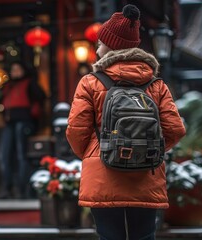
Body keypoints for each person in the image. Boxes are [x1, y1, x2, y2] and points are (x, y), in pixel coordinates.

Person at [66, 4, 186, 240]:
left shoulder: (90, 82)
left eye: (100, 43)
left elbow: (76, 130)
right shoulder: (156, 85)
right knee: (144, 236)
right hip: (146, 175)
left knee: (109, 236)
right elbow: (175, 129)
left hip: (103, 174)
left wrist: (95, 153)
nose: (98, 47)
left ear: (110, 46)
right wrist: (148, 150)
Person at [0, 61, 45, 199]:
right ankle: (7, 187)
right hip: (9, 123)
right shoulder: (8, 86)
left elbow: (40, 98)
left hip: (24, 122)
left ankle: (22, 189)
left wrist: (32, 115)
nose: (15, 72)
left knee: (21, 155)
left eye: (18, 69)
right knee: (3, 155)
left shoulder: (30, 84)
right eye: (13, 69)